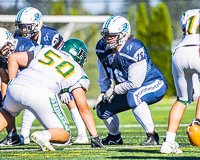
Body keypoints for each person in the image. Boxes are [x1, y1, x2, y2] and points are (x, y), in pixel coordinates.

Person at [0, 39, 105, 151]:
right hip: (42, 93)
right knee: (66, 136)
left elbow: (14, 57)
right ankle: (44, 135)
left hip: (17, 85)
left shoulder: (45, 49)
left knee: (7, 112)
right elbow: (83, 108)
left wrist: (11, 84)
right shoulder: (78, 72)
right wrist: (95, 137)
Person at [14, 6, 88, 144]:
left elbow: (62, 61)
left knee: (70, 97)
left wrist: (64, 87)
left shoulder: (50, 36)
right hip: (33, 74)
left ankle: (82, 134)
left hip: (56, 75)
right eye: (21, 26)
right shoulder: (18, 38)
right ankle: (23, 136)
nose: (22, 30)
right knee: (31, 95)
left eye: (26, 26)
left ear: (36, 24)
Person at [94, 15, 168, 146]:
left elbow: (135, 83)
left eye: (112, 35)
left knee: (134, 95)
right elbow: (103, 73)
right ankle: (115, 137)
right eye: (106, 35)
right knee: (102, 109)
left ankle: (152, 136)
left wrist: (114, 89)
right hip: (128, 88)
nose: (107, 39)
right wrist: (103, 92)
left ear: (123, 34)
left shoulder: (133, 48)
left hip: (153, 83)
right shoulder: (102, 48)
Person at [160, 9, 200, 154]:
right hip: (198, 48)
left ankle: (168, 142)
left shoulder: (189, 13)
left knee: (182, 100)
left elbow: (186, 30)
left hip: (180, 51)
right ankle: (198, 121)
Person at [0, 27, 38, 146]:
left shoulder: (26, 46)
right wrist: (5, 99)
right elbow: (4, 79)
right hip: (16, 82)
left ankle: (24, 135)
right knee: (4, 103)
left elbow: (39, 70)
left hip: (37, 82)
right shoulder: (1, 56)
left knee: (29, 98)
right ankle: (13, 135)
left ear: (9, 42)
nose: (2, 53)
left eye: (4, 49)